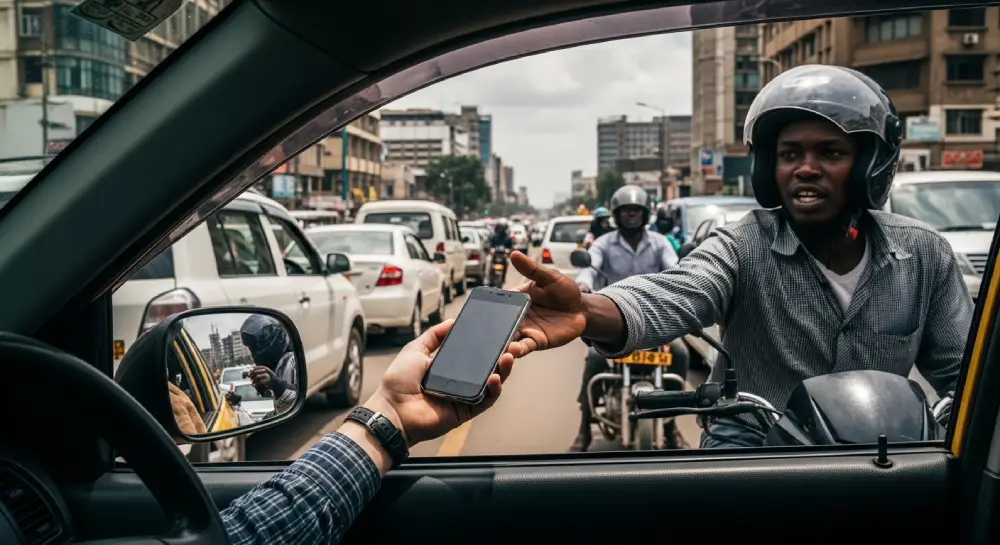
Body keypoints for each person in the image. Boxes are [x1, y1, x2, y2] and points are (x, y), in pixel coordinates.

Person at [506, 64, 969, 449]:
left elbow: (963, 373)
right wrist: (586, 309)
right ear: (770, 169)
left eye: (830, 152)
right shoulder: (743, 245)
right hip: (756, 443)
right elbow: (674, 294)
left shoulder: (924, 254)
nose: (806, 167)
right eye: (790, 154)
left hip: (885, 452)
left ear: (871, 164)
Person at [221, 319, 520, 544]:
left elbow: (258, 529)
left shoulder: (286, 364)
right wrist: (391, 414)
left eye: (251, 345)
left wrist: (392, 412)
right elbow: (263, 528)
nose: (251, 352)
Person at [571, 184, 689, 451]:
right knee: (594, 360)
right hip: (614, 323)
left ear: (646, 213)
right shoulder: (603, 243)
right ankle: (584, 429)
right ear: (617, 213)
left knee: (680, 355)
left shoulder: (660, 243)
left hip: (655, 322)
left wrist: (681, 285)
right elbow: (591, 267)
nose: (632, 215)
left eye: (637, 210)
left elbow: (673, 268)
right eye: (627, 211)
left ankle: (671, 427)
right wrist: (582, 285)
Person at [240, 314, 298, 415]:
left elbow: (298, 400)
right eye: (250, 348)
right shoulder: (278, 366)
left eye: (255, 346)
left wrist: (276, 385)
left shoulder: (291, 362)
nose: (252, 354)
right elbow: (279, 405)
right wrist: (265, 390)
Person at [487, 219, 514, 285]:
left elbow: (510, 246)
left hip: (503, 255)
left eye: (503, 227)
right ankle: (489, 278)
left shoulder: (507, 236)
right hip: (495, 255)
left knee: (507, 262)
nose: (501, 229)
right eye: (500, 227)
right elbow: (490, 243)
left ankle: (503, 278)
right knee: (489, 261)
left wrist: (508, 250)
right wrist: (491, 248)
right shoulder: (494, 235)